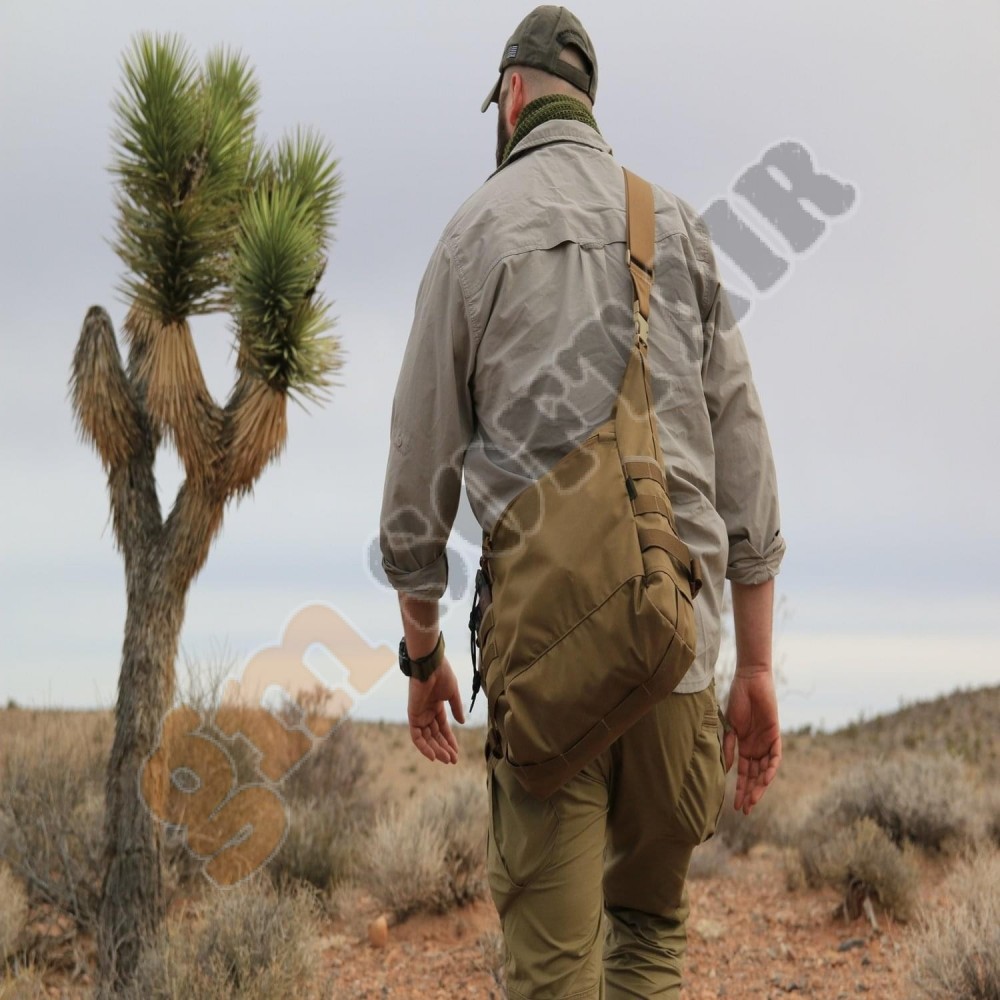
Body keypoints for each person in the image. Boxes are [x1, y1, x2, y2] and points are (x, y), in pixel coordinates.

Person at [379, 6, 786, 997]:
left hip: (544, 659)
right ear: (588, 103)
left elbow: (418, 476)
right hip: (673, 644)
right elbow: (744, 457)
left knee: (554, 969)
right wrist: (755, 665)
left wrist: (423, 654)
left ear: (512, 96)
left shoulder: (472, 234)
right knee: (647, 931)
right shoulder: (677, 227)